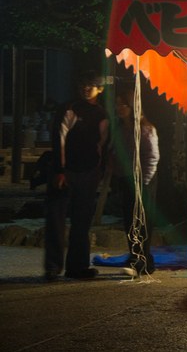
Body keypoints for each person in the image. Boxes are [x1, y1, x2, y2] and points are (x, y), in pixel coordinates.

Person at [44, 70, 110, 281]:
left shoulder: (102, 113)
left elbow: (103, 144)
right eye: (83, 83)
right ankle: (53, 267)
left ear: (100, 89)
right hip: (67, 172)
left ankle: (78, 266)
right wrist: (60, 170)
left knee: (82, 222)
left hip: (89, 172)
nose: (86, 88)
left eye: (91, 85)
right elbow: (59, 140)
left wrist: (99, 171)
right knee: (56, 219)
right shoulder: (69, 108)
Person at [111, 86, 160, 276]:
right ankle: (141, 259)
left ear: (132, 107)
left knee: (142, 221)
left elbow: (152, 156)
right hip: (125, 178)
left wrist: (144, 181)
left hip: (143, 180)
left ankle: (140, 260)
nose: (119, 108)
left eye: (123, 104)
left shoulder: (145, 128)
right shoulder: (119, 128)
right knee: (129, 220)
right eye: (117, 105)